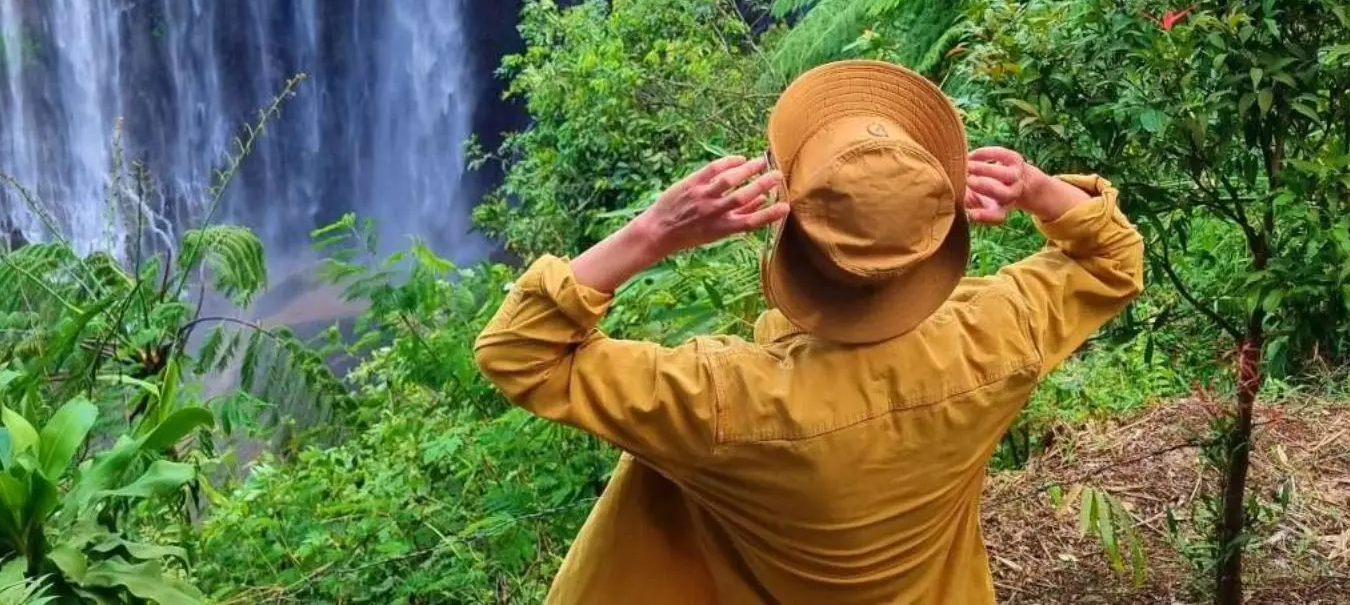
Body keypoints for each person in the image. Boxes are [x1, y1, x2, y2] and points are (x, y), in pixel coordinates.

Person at [475, 60, 1144, 604]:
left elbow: (518, 352)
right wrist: (1035, 188)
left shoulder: (722, 402)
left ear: (781, 229)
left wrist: (654, 231)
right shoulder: (995, 342)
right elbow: (1114, 258)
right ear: (936, 237)